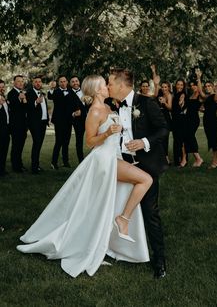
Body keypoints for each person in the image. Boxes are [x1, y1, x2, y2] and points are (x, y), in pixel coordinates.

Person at [17, 75, 152, 278]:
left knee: (99, 205)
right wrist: (107, 134)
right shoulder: (95, 111)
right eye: (104, 85)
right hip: (104, 161)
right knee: (145, 179)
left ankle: (112, 233)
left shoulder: (108, 107)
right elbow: (90, 142)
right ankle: (122, 220)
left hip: (114, 156)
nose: (108, 86)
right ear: (97, 90)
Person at [108, 67, 169, 279]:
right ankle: (121, 251)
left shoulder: (146, 103)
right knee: (120, 208)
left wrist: (143, 142)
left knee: (150, 212)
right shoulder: (111, 105)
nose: (108, 87)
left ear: (122, 85)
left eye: (111, 83)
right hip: (124, 165)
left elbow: (163, 129)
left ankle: (159, 260)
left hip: (147, 166)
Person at [196, 70, 217, 169]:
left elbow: (216, 99)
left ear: (212, 86)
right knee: (211, 141)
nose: (207, 87)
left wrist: (216, 89)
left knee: (214, 141)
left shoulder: (216, 95)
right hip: (206, 121)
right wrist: (198, 78)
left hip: (213, 121)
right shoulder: (206, 97)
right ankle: (216, 161)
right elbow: (200, 92)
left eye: (208, 86)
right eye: (206, 86)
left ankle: (215, 162)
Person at [48, 76, 73, 169]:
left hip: (68, 120)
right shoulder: (56, 91)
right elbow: (50, 96)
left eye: (64, 81)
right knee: (59, 141)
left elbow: (74, 102)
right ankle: (53, 163)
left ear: (67, 82)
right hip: (59, 121)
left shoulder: (70, 91)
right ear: (59, 83)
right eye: (61, 82)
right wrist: (51, 88)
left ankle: (65, 162)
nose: (63, 83)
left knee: (66, 142)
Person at [26, 76, 49, 174]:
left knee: (39, 144)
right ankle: (34, 167)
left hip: (43, 122)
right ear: (33, 83)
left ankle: (36, 165)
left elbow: (44, 108)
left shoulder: (42, 93)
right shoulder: (29, 93)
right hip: (34, 123)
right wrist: (36, 102)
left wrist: (47, 118)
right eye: (36, 82)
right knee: (37, 143)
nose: (38, 83)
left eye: (40, 82)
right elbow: (27, 107)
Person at [7, 75, 28, 172]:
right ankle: (15, 166)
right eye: (18, 81)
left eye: (22, 81)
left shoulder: (22, 93)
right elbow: (14, 109)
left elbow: (24, 109)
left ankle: (19, 164)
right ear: (14, 83)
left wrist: (24, 100)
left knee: (20, 146)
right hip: (15, 125)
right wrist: (20, 98)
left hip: (23, 125)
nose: (21, 83)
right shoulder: (11, 93)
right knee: (16, 146)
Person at [182, 80, 204, 167]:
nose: (192, 87)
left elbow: (200, 105)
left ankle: (199, 159)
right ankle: (196, 158)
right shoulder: (191, 95)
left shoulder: (200, 95)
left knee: (190, 136)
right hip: (187, 119)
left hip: (194, 120)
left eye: (194, 85)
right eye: (191, 85)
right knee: (187, 137)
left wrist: (198, 78)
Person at [69, 76, 87, 163]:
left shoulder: (86, 91)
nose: (75, 83)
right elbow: (65, 109)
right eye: (73, 81)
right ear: (70, 84)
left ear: (79, 82)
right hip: (78, 121)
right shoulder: (68, 94)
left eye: (76, 81)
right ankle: (81, 160)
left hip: (90, 119)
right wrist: (73, 113)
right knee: (79, 140)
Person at [171, 78, 188, 166]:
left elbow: (181, 104)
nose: (180, 86)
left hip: (181, 120)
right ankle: (177, 160)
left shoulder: (183, 94)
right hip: (175, 120)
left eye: (182, 85)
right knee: (176, 140)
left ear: (184, 86)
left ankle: (184, 159)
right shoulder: (175, 94)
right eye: (178, 84)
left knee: (181, 140)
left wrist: (181, 102)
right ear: (176, 85)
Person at [0, 80, 10, 176]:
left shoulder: (4, 97)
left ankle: (2, 169)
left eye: (3, 86)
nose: (2, 88)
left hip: (6, 128)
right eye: (0, 87)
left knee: (4, 149)